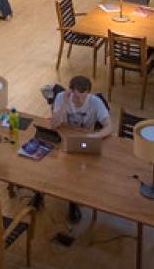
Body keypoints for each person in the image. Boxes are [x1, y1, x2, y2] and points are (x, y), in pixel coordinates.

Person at [50, 76, 111, 233]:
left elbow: (109, 127)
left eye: (83, 96)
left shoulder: (95, 102)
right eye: (76, 96)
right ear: (70, 91)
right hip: (65, 141)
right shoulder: (61, 97)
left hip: (85, 142)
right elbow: (54, 124)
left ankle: (73, 203)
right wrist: (64, 101)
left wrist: (93, 137)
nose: (79, 100)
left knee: (79, 174)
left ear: (89, 93)